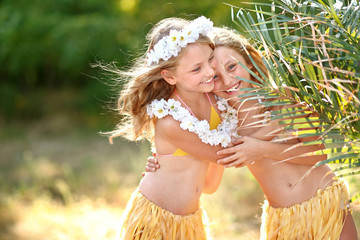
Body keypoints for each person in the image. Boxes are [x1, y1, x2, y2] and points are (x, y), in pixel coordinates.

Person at [146, 26, 358, 239]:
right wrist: (163, 166)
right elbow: (210, 172)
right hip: (283, 220)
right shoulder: (224, 120)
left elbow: (318, 155)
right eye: (217, 76)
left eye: (232, 67)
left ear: (249, 63)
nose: (228, 81)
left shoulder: (280, 98)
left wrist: (262, 149)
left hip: (325, 204)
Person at [107, 16, 241, 240]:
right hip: (155, 220)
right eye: (197, 68)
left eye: (210, 60)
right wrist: (261, 144)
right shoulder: (170, 122)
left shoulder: (214, 101)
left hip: (190, 221)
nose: (209, 72)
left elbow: (209, 186)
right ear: (169, 76)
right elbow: (227, 154)